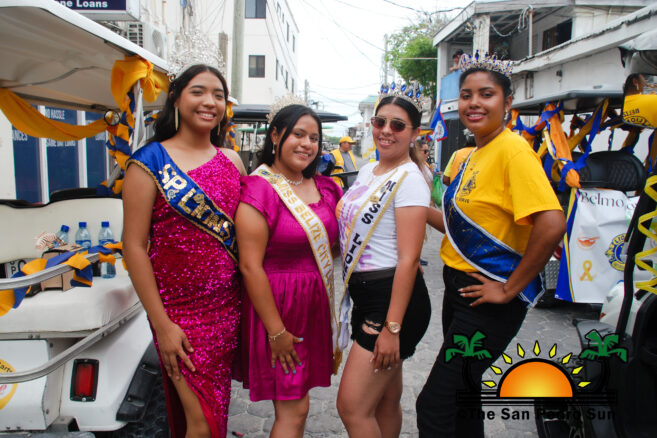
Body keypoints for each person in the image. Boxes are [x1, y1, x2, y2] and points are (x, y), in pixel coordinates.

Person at [416, 53, 566, 438]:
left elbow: (552, 223)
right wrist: (410, 206)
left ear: (507, 102)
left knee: (435, 405)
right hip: (459, 289)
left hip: (489, 300)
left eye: (486, 94)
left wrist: (509, 288)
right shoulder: (471, 154)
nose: (474, 103)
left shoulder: (513, 151)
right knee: (463, 397)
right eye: (467, 95)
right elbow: (458, 228)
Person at [122, 64, 246, 437]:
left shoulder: (233, 162)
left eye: (219, 95)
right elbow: (133, 247)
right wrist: (162, 325)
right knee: (202, 422)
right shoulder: (148, 163)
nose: (210, 102)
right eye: (198, 91)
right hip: (177, 314)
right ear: (176, 98)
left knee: (214, 415)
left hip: (227, 308)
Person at [235, 103, 342, 438]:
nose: (307, 144)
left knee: (299, 405)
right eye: (298, 134)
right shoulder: (259, 188)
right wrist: (276, 332)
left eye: (314, 138)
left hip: (313, 307)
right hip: (279, 310)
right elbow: (250, 265)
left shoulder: (325, 187)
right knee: (293, 410)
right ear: (276, 136)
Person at [336, 89, 432, 437]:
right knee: (385, 401)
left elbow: (409, 259)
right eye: (380, 122)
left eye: (398, 125)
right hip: (368, 295)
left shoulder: (410, 179)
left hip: (391, 304)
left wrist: (392, 329)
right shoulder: (367, 171)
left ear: (414, 133)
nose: (386, 130)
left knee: (352, 407)